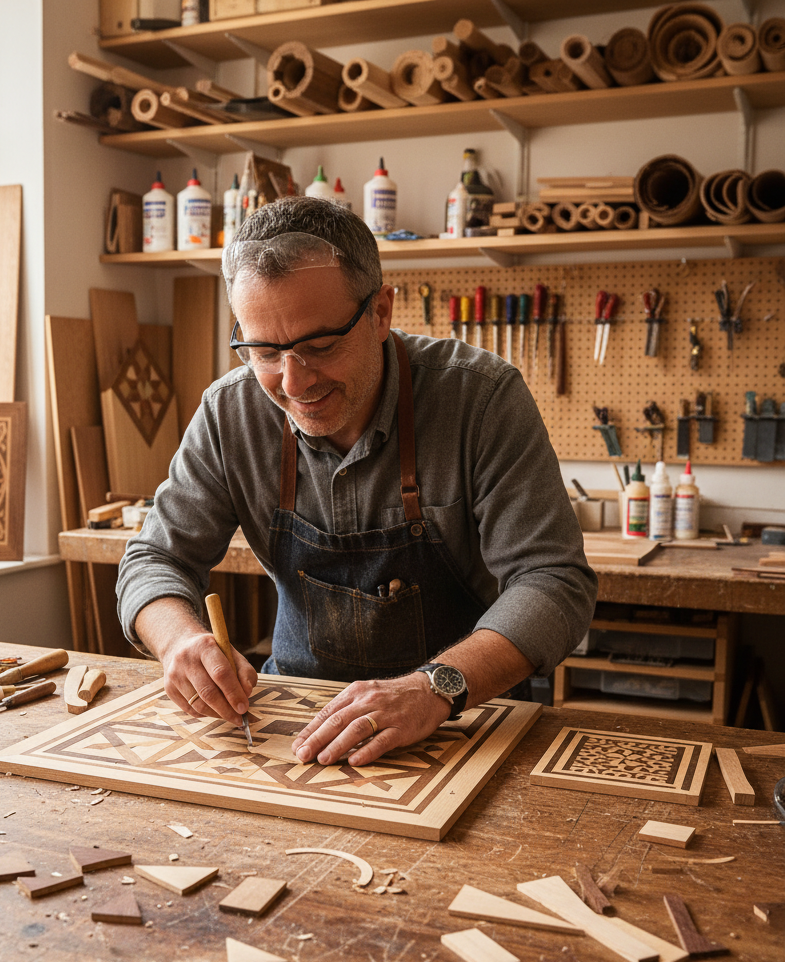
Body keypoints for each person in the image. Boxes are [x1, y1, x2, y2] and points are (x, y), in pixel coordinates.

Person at [116, 196, 597, 769]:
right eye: (264, 352)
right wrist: (178, 639)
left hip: (467, 720)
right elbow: (154, 559)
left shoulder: (481, 399)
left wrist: (435, 686)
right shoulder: (230, 413)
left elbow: (553, 581)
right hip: (298, 722)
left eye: (320, 346)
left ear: (381, 312)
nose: (293, 383)